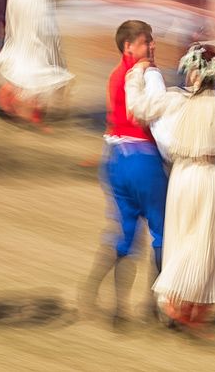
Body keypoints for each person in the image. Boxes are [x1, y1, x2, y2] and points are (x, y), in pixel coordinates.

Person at [125, 43, 215, 332]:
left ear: (193, 71)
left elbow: (138, 109)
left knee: (183, 238)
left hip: (182, 176)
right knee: (207, 244)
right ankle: (184, 302)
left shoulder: (175, 99)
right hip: (212, 178)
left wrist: (134, 76)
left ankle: (180, 301)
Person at [80, 20, 170, 326]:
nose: (153, 46)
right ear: (128, 46)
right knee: (161, 233)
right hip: (142, 159)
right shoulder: (144, 74)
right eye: (147, 42)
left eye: (152, 40)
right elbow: (157, 121)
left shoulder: (116, 73)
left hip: (114, 157)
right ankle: (154, 305)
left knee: (125, 234)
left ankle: (113, 304)